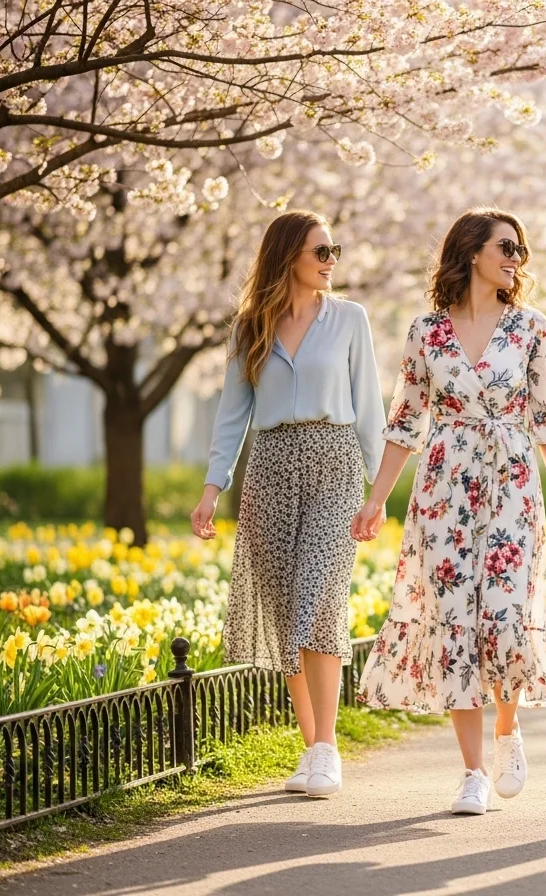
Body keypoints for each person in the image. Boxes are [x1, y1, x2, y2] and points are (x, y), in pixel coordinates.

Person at [353, 207, 546, 816]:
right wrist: (378, 497)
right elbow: (404, 421)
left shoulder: (531, 327)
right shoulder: (426, 331)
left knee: (505, 617)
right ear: (472, 251)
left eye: (521, 249)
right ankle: (472, 772)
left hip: (512, 480)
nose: (516, 257)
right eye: (505, 246)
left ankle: (508, 730)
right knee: (455, 621)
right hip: (444, 486)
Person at [191, 210, 385, 798]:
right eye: (321, 252)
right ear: (288, 258)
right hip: (270, 469)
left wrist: (380, 493)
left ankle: (327, 748)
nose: (331, 262)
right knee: (284, 614)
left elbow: (371, 409)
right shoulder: (250, 326)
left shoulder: (351, 319)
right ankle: (312, 748)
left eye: (334, 251)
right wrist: (211, 487)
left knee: (314, 599)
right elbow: (232, 414)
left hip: (334, 465)